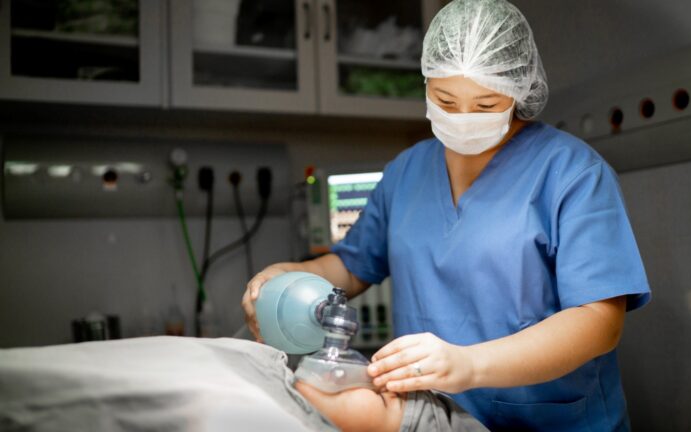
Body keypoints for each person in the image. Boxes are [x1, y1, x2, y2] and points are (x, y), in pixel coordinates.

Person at [242, 0, 651, 430]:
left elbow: (599, 321)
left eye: (486, 104)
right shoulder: (407, 172)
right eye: (445, 99)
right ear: (426, 84)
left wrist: (468, 365)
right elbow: (350, 266)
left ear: (520, 91)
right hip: (430, 418)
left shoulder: (572, 174)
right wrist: (288, 275)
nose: (463, 119)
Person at [0, 336, 486, 431]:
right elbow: (347, 264)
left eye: (381, 397)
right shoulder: (268, 364)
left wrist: (469, 364)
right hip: (246, 363)